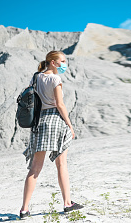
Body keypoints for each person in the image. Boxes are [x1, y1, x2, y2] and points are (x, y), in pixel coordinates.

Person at [20, 51, 83, 219]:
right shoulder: (55, 79)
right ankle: (67, 203)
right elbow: (60, 105)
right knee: (61, 164)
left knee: (34, 168)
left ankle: (24, 209)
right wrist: (70, 125)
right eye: (62, 61)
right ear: (53, 63)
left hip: (39, 122)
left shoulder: (36, 78)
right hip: (55, 120)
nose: (64, 64)